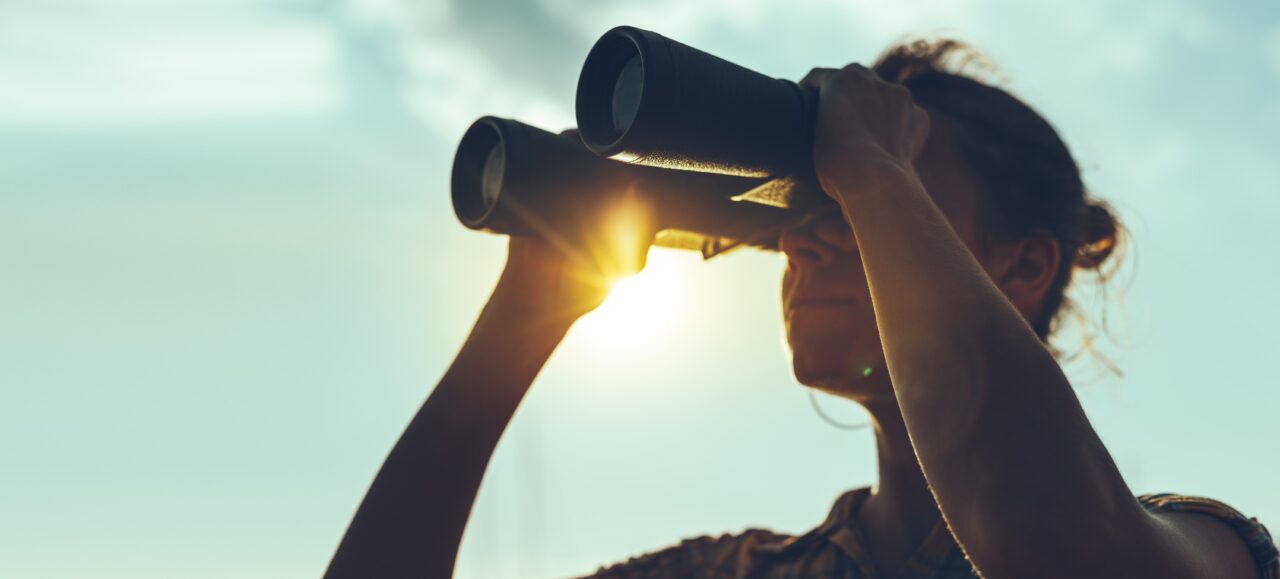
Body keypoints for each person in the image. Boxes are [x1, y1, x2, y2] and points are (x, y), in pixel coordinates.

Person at [324, 39, 1278, 579]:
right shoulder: (737, 574)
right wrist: (525, 317)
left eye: (868, 201)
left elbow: (1062, 553)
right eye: (806, 204)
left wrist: (868, 166)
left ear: (1023, 265)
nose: (809, 235)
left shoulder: (1202, 547)